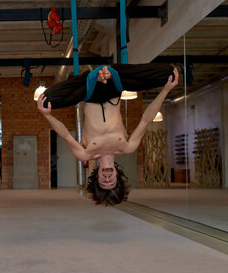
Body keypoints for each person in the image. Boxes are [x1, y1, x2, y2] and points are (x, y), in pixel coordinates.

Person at [37, 63, 179, 206]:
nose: (107, 178)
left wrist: (47, 116)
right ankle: (110, 73)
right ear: (117, 176)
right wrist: (165, 90)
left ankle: (92, 77)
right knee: (168, 74)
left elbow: (65, 135)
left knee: (45, 101)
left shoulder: (85, 154)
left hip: (89, 92)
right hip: (114, 90)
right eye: (111, 181)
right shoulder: (127, 147)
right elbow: (146, 120)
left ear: (96, 177)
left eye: (103, 182)